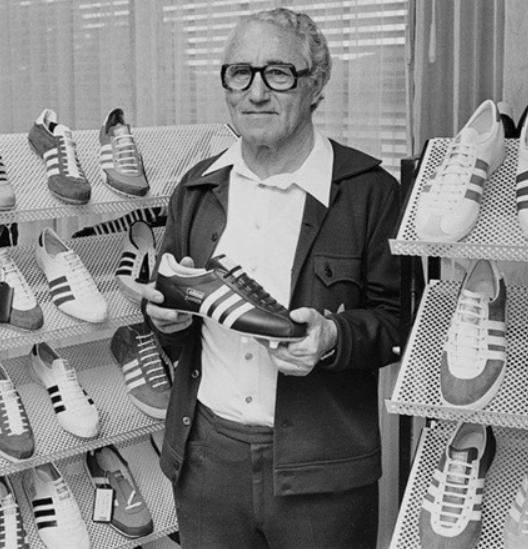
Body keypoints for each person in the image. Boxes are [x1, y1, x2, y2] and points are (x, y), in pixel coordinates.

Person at [142, 7, 401, 549]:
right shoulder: (197, 188)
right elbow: (175, 321)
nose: (256, 92)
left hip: (324, 474)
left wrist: (333, 336)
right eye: (240, 73)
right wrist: (166, 320)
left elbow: (400, 322)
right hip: (207, 461)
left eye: (278, 73)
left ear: (316, 84)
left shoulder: (369, 191)